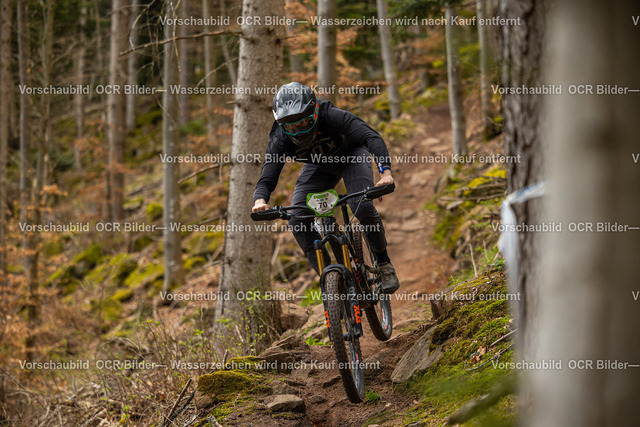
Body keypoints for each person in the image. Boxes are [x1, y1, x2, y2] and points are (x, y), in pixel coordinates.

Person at [252, 82, 399, 293]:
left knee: (361, 205)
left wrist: (385, 173)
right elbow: (269, 173)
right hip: (319, 167)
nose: (299, 131)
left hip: (351, 157)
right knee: (297, 220)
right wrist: (260, 200)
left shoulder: (330, 114)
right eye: (291, 127)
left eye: (304, 123)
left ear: (314, 112)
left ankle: (384, 265)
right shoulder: (280, 138)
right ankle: (330, 281)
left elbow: (370, 136)